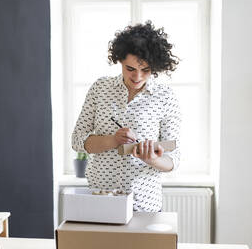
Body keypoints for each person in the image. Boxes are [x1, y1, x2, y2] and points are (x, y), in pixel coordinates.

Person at [71, 21, 181, 212]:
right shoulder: (100, 89)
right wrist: (113, 140)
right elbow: (77, 141)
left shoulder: (165, 97)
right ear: (120, 61)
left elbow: (173, 159)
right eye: (130, 69)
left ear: (155, 67)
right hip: (101, 198)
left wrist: (151, 159)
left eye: (145, 70)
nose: (137, 76)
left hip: (144, 203)